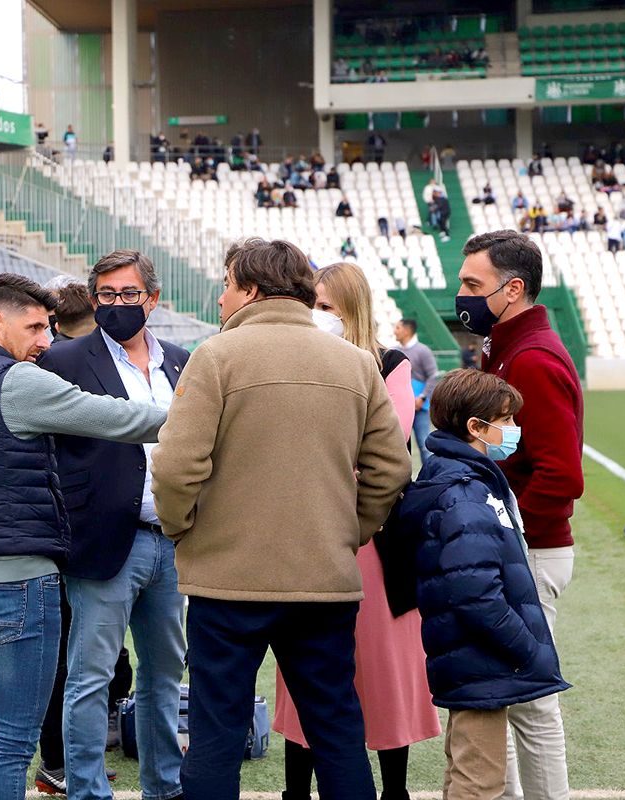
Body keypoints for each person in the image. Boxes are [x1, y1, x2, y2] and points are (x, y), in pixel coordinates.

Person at [151, 238, 412, 800]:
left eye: (226, 285)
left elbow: (175, 468)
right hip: (324, 578)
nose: (220, 300)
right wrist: (349, 532)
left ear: (250, 288)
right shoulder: (356, 362)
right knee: (337, 729)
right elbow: (392, 469)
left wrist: (181, 528)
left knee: (217, 731)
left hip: (227, 581)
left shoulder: (216, 356)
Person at [0, 274, 167, 800]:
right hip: (22, 584)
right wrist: (195, 417)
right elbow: (113, 416)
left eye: (48, 327)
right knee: (11, 744)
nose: (45, 341)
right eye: (33, 327)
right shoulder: (18, 382)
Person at [274, 262, 439, 800]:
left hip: (377, 540)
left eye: (326, 307)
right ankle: (297, 789)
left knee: (385, 667)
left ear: (351, 309)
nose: (317, 316)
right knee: (305, 663)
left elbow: (383, 451)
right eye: (311, 306)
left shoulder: (389, 364)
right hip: (310, 533)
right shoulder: (295, 360)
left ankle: (395, 790)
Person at [39, 251, 189, 800]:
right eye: (106, 295)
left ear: (152, 298)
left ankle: (164, 789)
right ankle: (86, 791)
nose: (117, 304)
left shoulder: (181, 361)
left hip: (172, 542)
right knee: (89, 678)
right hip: (103, 544)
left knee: (163, 677)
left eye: (128, 295)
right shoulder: (66, 361)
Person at [398, 369, 570, 800]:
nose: (514, 430)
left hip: (474, 662)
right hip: (482, 664)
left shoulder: (468, 480)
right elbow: (475, 593)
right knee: (480, 781)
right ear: (475, 427)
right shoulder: (464, 492)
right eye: (507, 420)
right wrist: (528, 649)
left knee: (468, 772)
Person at [455, 230, 583, 800]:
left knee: (531, 705)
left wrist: (502, 532)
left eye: (472, 284)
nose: (462, 294)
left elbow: (562, 474)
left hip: (527, 550)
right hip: (514, 546)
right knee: (496, 698)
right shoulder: (505, 346)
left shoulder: (531, 359)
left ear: (512, 289)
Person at [393, 318, 439, 464]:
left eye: (398, 328)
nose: (395, 331)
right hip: (400, 408)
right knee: (398, 446)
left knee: (424, 445)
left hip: (420, 407)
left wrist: (422, 397)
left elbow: (433, 375)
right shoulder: (394, 351)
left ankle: (429, 478)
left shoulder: (423, 351)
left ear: (407, 331)